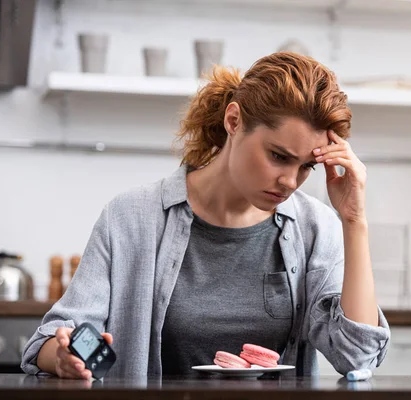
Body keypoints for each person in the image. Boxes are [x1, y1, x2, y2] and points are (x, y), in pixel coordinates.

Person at [21, 52, 391, 379]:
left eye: (307, 165)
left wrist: (354, 220)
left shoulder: (316, 228)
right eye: (278, 156)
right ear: (234, 121)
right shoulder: (131, 218)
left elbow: (356, 356)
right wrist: (65, 357)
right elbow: (49, 342)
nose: (291, 181)